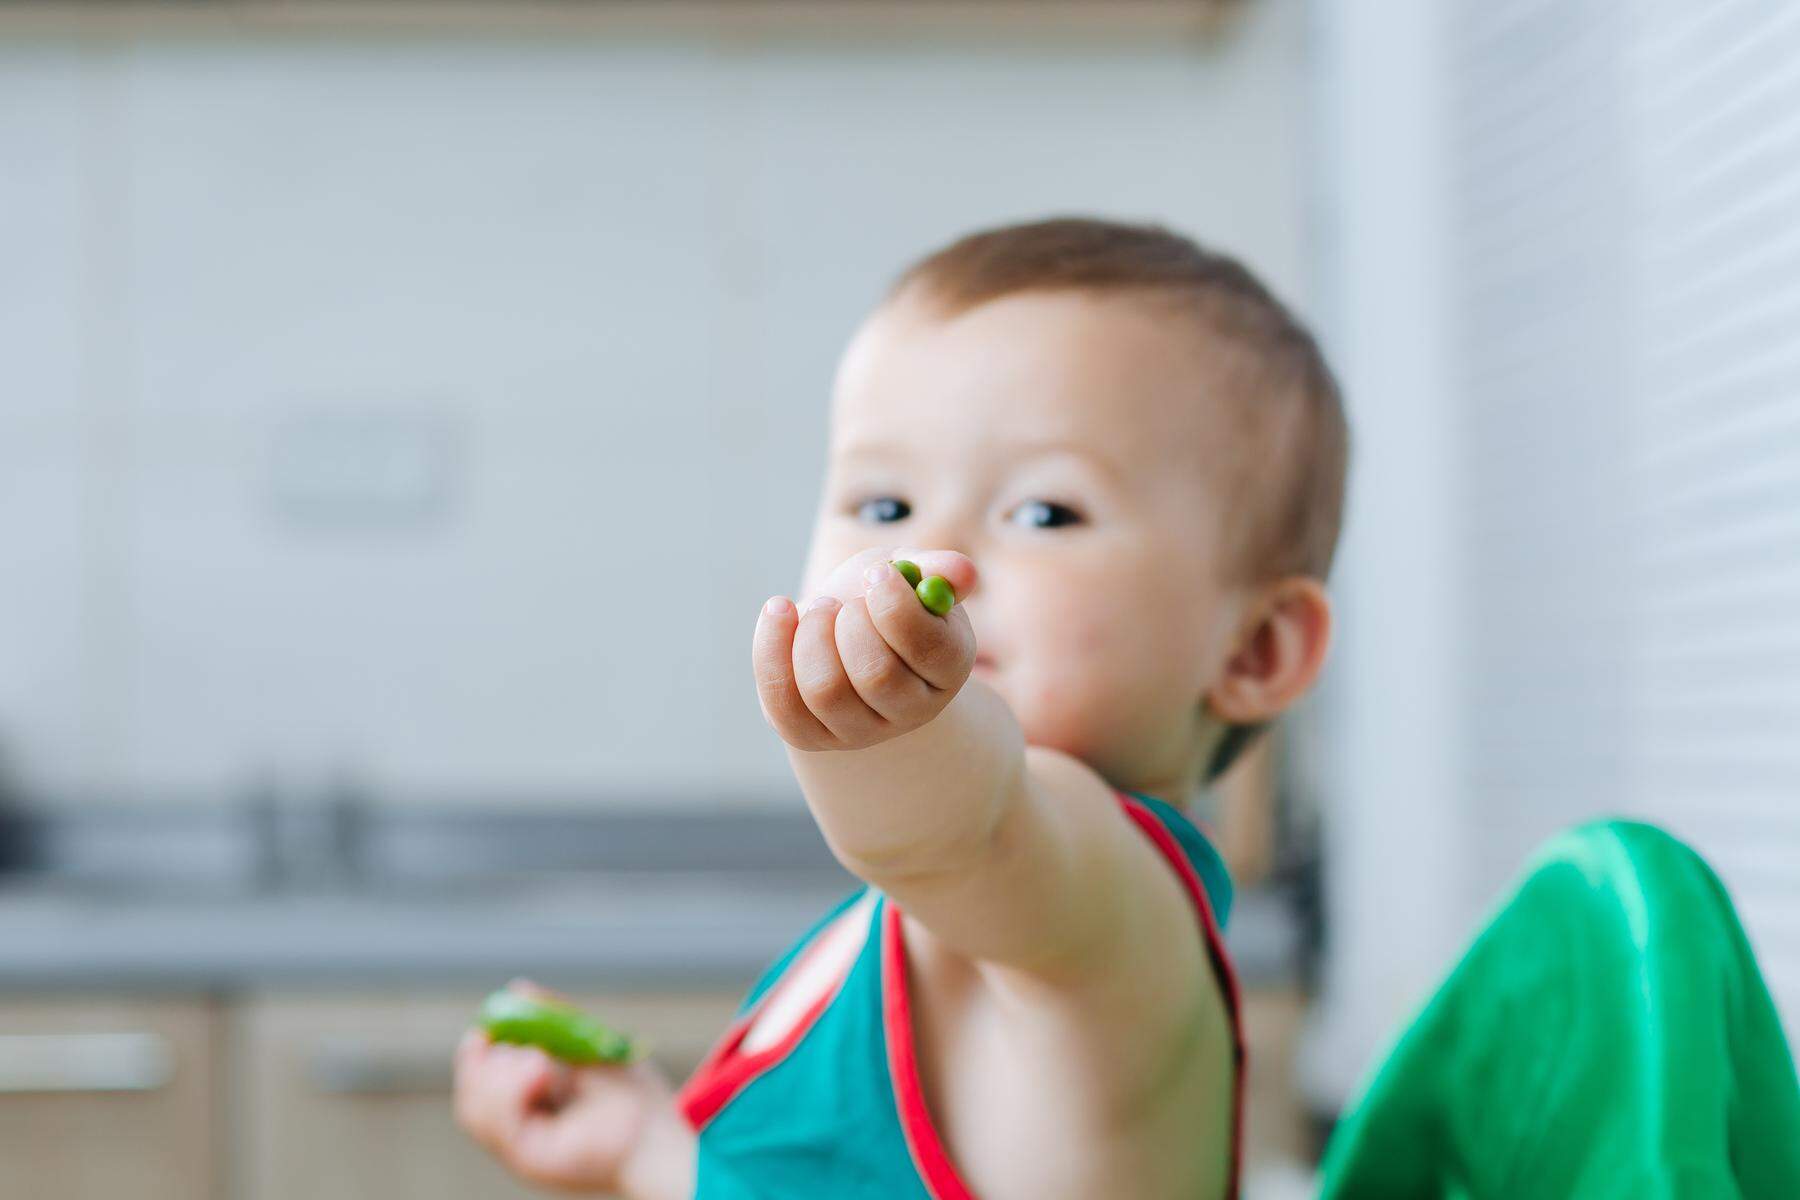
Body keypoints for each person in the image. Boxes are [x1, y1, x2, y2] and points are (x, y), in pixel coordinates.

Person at [454, 217, 1347, 1199]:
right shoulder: (906, 926)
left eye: (1046, 513)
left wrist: (893, 723)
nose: (925, 553)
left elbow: (969, 827)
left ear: (1255, 650)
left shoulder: (1113, 909)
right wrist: (649, 1153)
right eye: (882, 507)